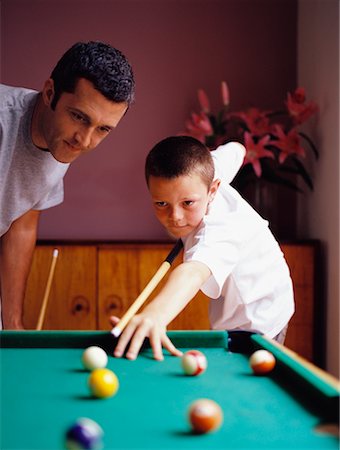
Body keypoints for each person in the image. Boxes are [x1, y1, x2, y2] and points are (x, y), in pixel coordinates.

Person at [111, 136, 294, 360]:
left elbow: (193, 272)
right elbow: (236, 150)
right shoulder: (206, 170)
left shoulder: (219, 229)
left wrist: (156, 314)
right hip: (235, 304)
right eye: (161, 204)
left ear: (213, 190)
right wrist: (237, 147)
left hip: (261, 314)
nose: (175, 217)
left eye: (187, 203)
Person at [0, 41, 135, 329]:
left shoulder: (62, 142)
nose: (84, 141)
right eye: (78, 116)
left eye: (103, 129)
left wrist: (13, 326)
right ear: (50, 93)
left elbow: (21, 224)